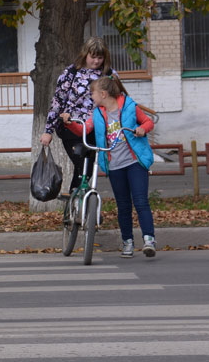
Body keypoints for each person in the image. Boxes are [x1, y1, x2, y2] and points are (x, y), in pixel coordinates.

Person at [65, 75, 158, 258]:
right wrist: (69, 124)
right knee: (123, 205)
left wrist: (142, 129)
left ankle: (149, 240)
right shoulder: (98, 113)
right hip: (114, 165)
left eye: (93, 93)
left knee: (140, 202)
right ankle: (127, 243)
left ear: (103, 94)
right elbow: (85, 129)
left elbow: (148, 122)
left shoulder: (130, 107)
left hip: (134, 162)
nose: (91, 96)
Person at [40, 37, 114, 196]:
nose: (96, 61)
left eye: (100, 58)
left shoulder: (109, 74)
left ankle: (83, 205)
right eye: (92, 57)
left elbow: (118, 100)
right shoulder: (71, 72)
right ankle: (77, 200)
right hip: (71, 126)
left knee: (89, 167)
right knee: (81, 162)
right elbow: (57, 101)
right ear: (85, 54)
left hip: (96, 127)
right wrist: (48, 130)